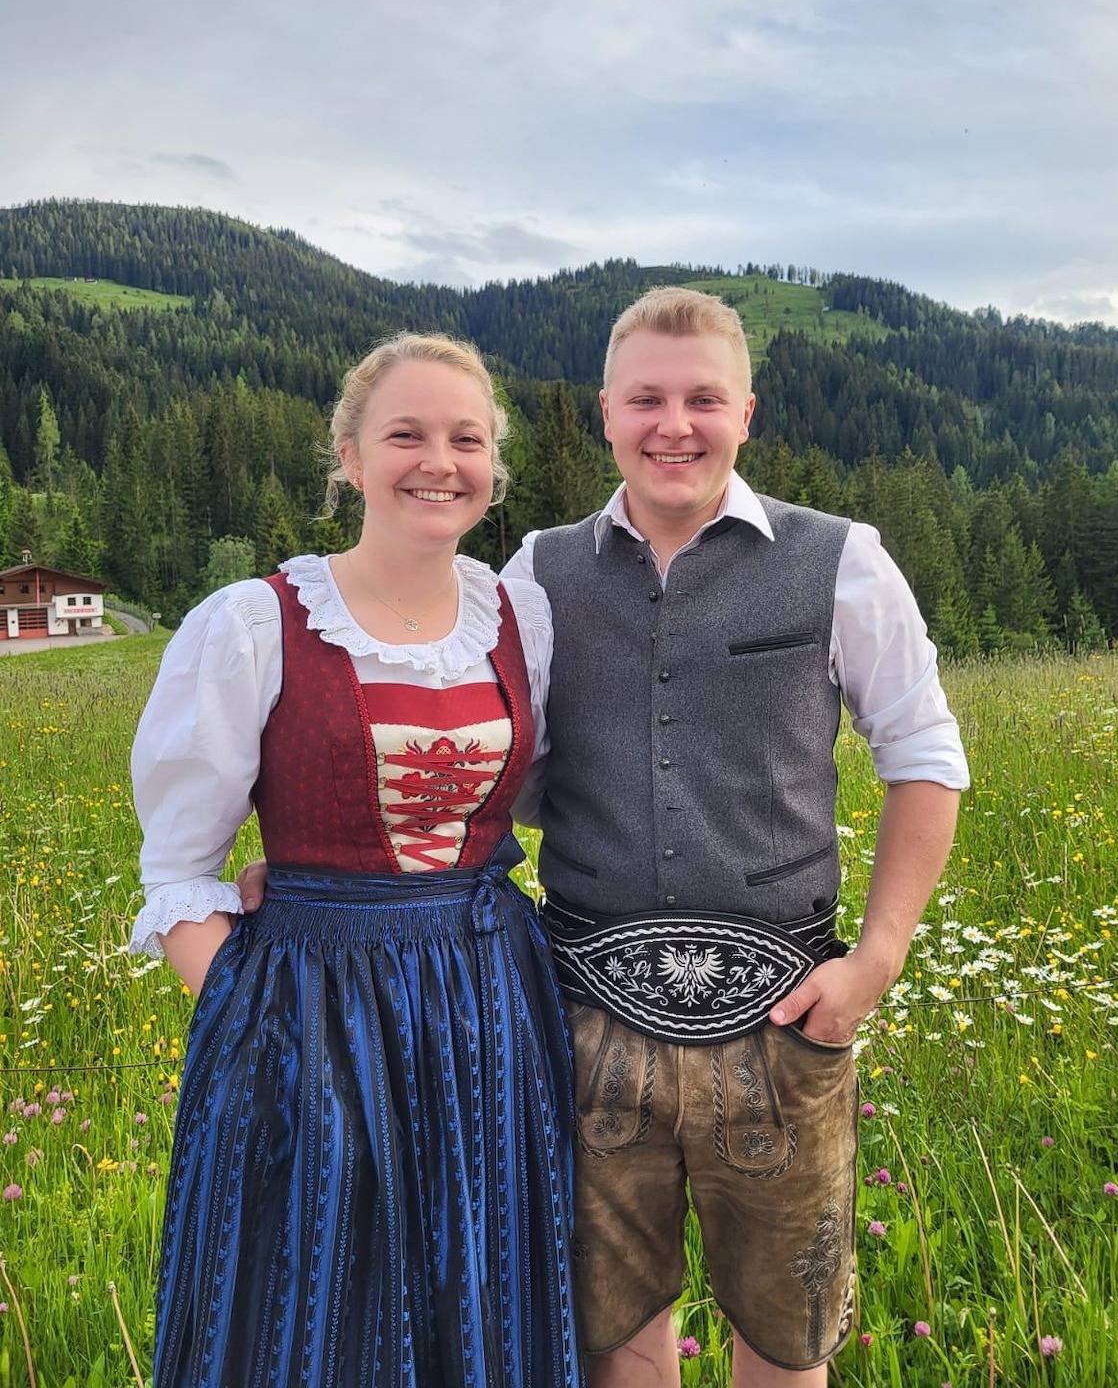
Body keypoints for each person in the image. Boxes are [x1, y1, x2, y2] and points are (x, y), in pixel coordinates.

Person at [497, 288, 970, 1387]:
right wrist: (333, 857)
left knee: (785, 1335)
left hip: (785, 1018)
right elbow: (481, 756)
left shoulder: (841, 559)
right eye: (648, 399)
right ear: (605, 412)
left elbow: (926, 756)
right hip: (583, 1015)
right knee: (612, 1336)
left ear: (745, 412)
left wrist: (881, 956)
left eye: (702, 398)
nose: (675, 425)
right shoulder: (538, 571)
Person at [128, 333, 584, 1388]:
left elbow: (544, 787)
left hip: (486, 999)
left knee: (483, 1292)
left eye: (467, 439)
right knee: (309, 1305)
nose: (440, 460)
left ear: (493, 465)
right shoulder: (253, 623)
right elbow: (181, 868)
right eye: (406, 434)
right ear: (349, 456)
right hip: (310, 1002)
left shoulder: (521, 614)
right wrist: (250, 1010)